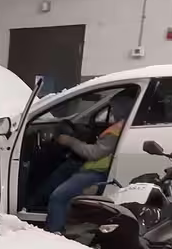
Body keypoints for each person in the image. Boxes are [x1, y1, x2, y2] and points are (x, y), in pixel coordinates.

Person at [43, 95, 132, 234]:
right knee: (61, 173)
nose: (113, 111)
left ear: (124, 108)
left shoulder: (116, 130)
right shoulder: (122, 126)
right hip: (93, 169)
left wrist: (70, 141)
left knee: (58, 197)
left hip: (97, 173)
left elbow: (94, 154)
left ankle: (56, 234)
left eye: (114, 107)